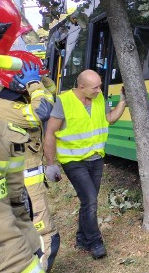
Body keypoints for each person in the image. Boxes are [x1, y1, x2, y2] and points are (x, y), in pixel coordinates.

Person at [0, 0, 74, 273]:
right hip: (26, 188)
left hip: (23, 189)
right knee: (46, 234)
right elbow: (41, 113)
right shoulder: (6, 109)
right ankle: (44, 269)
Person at [43, 69, 127, 260]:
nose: (99, 90)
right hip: (73, 161)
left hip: (95, 158)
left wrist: (122, 102)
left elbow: (109, 119)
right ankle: (95, 242)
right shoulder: (64, 102)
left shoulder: (98, 98)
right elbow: (50, 132)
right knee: (90, 201)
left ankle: (81, 238)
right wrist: (50, 163)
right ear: (81, 87)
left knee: (88, 201)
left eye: (99, 86)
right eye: (95, 87)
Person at [0, 52, 61, 272]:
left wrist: (42, 78)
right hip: (22, 179)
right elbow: (42, 111)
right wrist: (34, 83)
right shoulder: (1, 106)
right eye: (34, 80)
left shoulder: (17, 96)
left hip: (26, 175)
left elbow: (52, 98)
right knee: (44, 232)